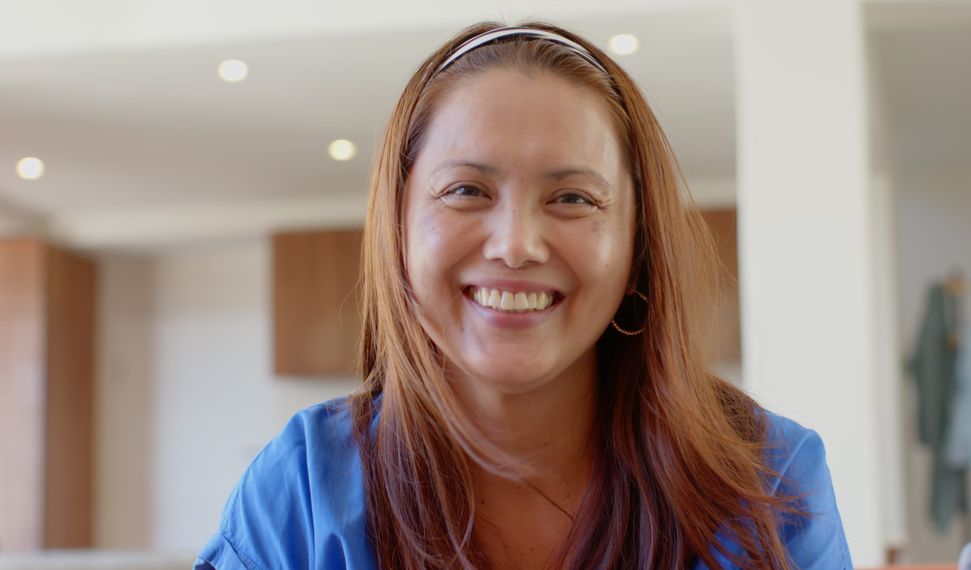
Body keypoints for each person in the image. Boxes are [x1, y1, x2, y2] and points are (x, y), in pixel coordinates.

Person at [195, 21, 852, 570]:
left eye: (572, 198)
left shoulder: (770, 480)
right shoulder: (302, 489)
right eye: (466, 191)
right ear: (397, 228)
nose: (516, 245)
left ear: (636, 247)